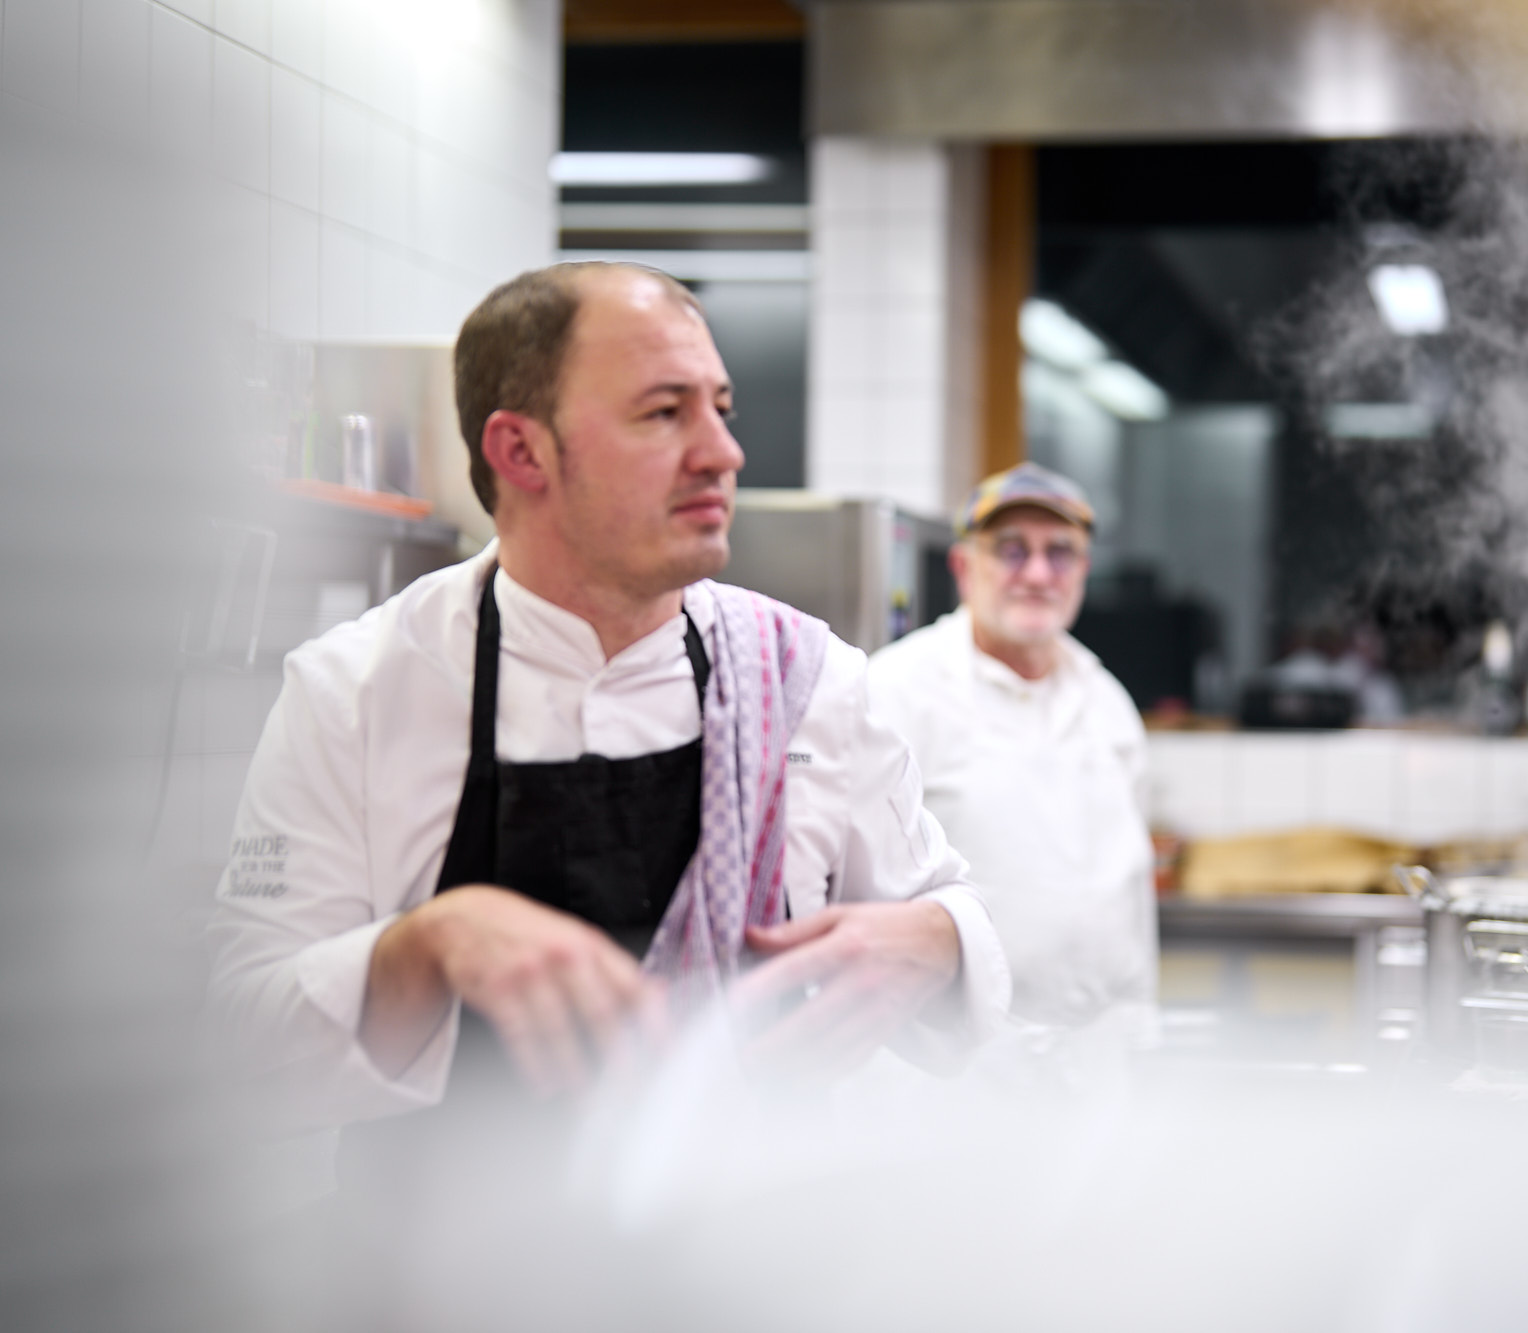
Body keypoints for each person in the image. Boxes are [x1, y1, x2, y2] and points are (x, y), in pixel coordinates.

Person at [205, 263, 1011, 1158]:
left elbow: (953, 912)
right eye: (664, 413)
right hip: (444, 1237)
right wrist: (423, 948)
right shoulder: (354, 689)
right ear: (522, 452)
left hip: (754, 1228)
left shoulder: (806, 678)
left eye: (721, 409)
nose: (724, 453)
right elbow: (241, 1038)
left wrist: (939, 940)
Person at [868, 463, 1157, 1026]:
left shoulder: (1107, 701)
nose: (1038, 574)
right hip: (968, 1053)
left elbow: (1132, 894)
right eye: (1011, 550)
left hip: (1106, 1048)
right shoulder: (898, 690)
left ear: (1083, 571)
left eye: (1060, 553)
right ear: (963, 567)